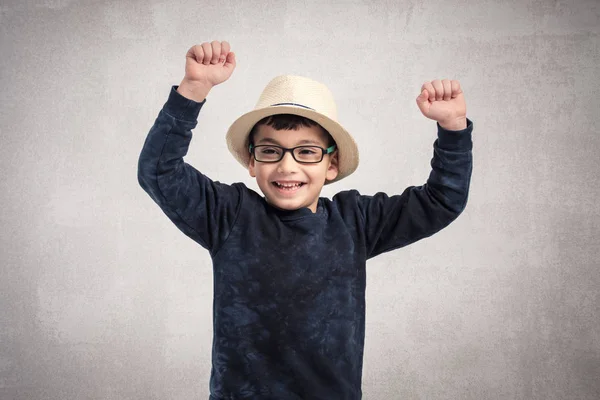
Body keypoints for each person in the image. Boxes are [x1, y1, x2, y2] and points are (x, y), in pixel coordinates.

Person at [138, 40, 473, 400]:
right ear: (252, 162)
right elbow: (159, 172)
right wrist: (193, 90)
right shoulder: (229, 215)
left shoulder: (355, 222)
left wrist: (453, 128)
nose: (287, 166)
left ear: (331, 164)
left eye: (307, 152)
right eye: (270, 151)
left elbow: (441, 200)